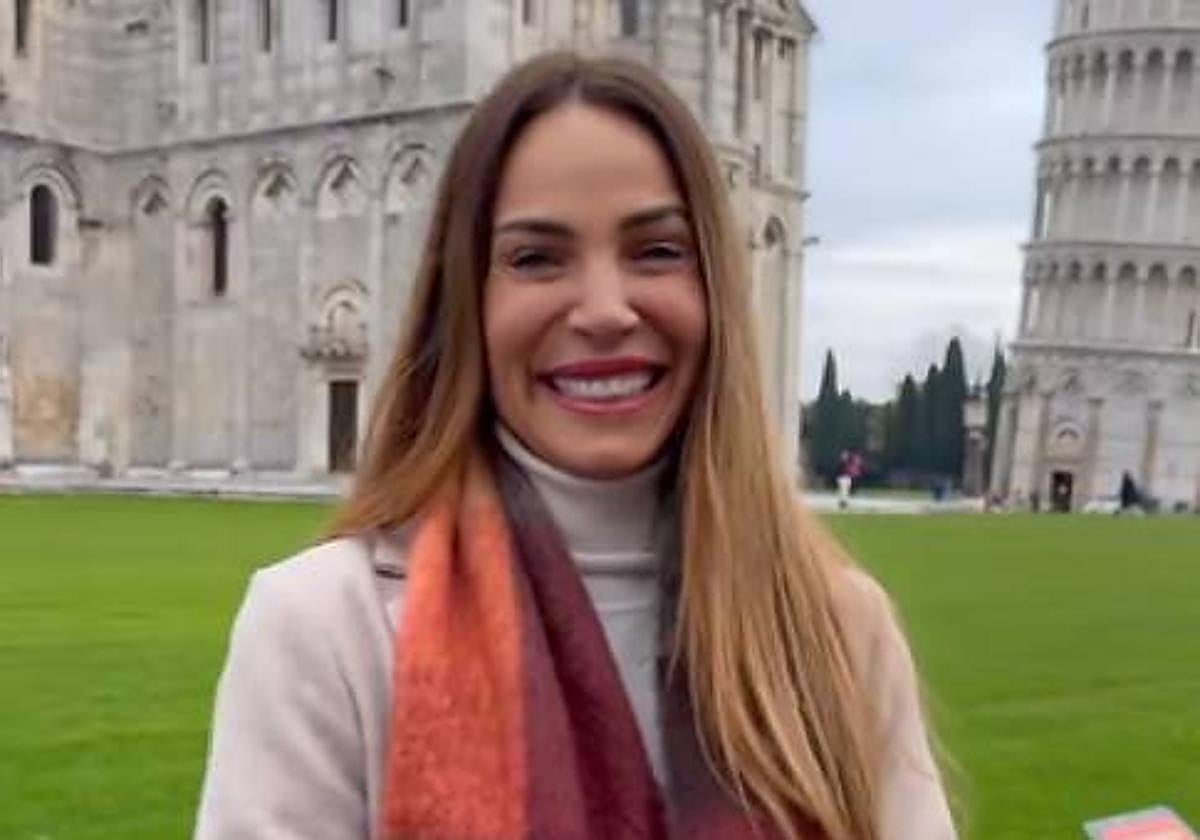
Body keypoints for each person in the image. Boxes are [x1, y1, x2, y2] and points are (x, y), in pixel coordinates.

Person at [194, 53, 955, 840]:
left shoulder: (835, 627)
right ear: (467, 303)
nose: (603, 310)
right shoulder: (325, 626)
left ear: (716, 289)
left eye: (656, 250)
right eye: (536, 259)